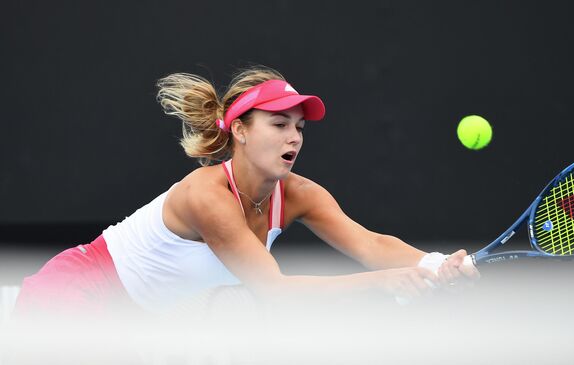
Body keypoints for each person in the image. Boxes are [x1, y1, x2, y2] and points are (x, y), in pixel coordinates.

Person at [13, 66, 479, 318]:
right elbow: (275, 290)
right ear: (239, 130)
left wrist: (434, 264)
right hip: (72, 295)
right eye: (278, 124)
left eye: (299, 127)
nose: (294, 137)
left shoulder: (298, 194)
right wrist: (383, 283)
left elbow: (371, 244)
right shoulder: (206, 196)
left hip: (132, 321)